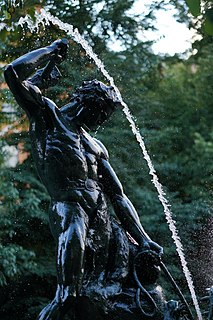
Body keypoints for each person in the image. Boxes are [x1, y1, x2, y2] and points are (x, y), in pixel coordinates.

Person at [4, 39, 163, 319]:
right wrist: (51, 51)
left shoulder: (94, 144)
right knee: (68, 296)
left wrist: (144, 238)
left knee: (109, 294)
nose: (101, 120)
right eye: (101, 112)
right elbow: (12, 73)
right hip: (71, 211)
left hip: (103, 221)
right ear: (84, 101)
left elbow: (118, 195)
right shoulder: (48, 117)